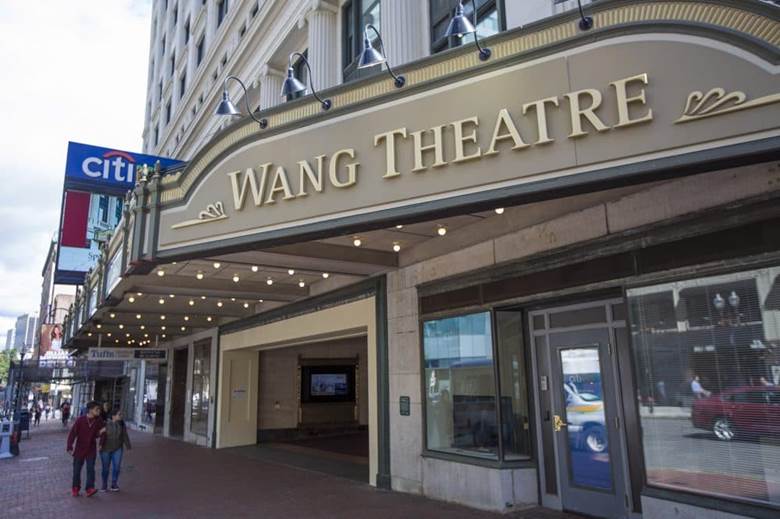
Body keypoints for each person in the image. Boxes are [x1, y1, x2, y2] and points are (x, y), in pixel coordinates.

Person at [66, 401, 105, 498]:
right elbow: (73, 433)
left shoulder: (99, 420)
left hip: (91, 449)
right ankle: (75, 488)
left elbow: (100, 434)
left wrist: (101, 442)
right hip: (79, 449)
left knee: (91, 469)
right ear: (91, 410)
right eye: (97, 409)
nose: (99, 411)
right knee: (76, 470)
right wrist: (69, 446)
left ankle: (89, 488)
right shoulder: (81, 420)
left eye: (99, 409)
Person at [99, 409, 131, 492]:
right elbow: (97, 433)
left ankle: (114, 484)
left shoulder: (121, 424)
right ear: (113, 416)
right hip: (105, 448)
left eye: (121, 414)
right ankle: (104, 484)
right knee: (105, 468)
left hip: (118, 448)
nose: (121, 416)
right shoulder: (105, 423)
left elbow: (124, 435)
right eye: (119, 414)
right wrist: (100, 432)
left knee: (116, 467)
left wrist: (128, 445)